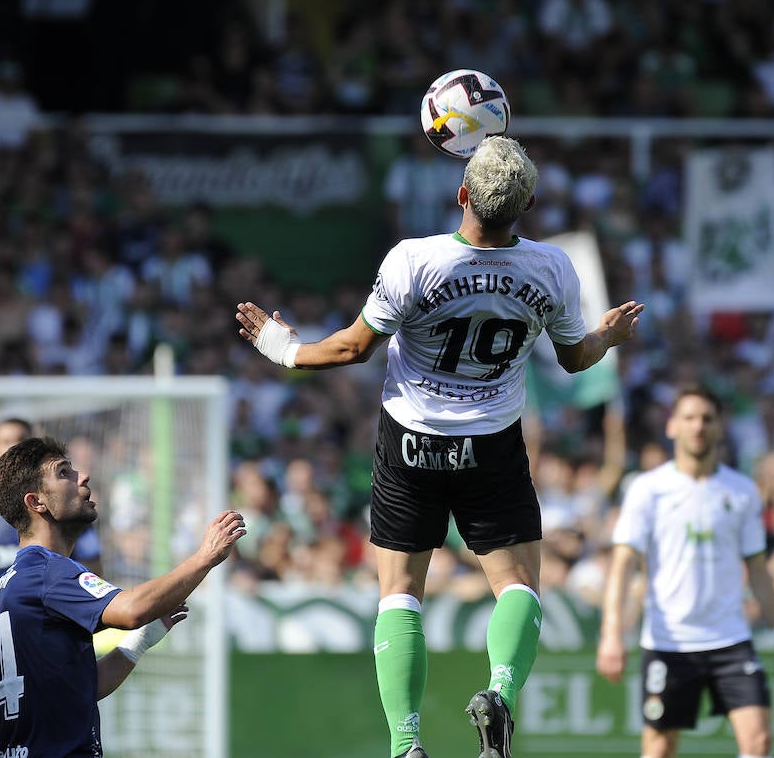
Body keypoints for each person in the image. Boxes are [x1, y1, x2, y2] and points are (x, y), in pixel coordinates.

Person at [235, 134, 643, 758]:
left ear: (461, 194)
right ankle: (500, 694)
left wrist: (281, 347)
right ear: (526, 203)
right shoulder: (552, 268)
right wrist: (608, 335)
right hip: (492, 444)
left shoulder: (414, 262)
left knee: (400, 591)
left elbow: (349, 349)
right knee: (518, 586)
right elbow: (575, 357)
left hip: (411, 443)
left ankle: (406, 745)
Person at [0, 436, 246, 757]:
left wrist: (141, 641)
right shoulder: (48, 571)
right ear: (37, 502)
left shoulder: (4, 587)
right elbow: (132, 609)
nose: (83, 477)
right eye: (64, 473)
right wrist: (205, 557)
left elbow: (83, 688)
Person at [596, 386, 774, 758]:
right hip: (668, 641)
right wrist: (612, 635)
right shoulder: (647, 489)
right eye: (689, 417)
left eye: (707, 418)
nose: (698, 426)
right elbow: (623, 564)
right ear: (672, 426)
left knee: (759, 742)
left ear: (719, 427)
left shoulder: (742, 492)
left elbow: (758, 571)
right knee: (659, 748)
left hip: (730, 638)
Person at [0, 418, 104, 616]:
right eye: (6, 440)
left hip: (60, 612)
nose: (14, 447)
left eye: (22, 439)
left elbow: (92, 565)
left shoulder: (67, 506)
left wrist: (86, 603)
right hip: (9, 615)